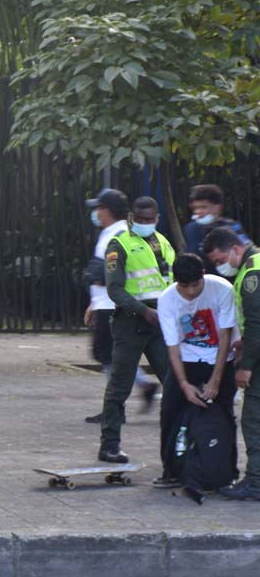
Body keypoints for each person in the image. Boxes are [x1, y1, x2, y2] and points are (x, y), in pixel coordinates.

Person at [95, 191, 173, 463]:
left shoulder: (163, 242)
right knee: (119, 387)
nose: (144, 222)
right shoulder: (119, 244)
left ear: (157, 218)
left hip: (159, 322)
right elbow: (115, 290)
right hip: (131, 322)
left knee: (173, 381)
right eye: (139, 218)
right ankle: (109, 446)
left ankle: (179, 443)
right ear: (131, 218)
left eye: (149, 218)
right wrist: (143, 311)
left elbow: (170, 282)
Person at [155, 254, 236, 487]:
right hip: (187, 359)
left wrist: (215, 380)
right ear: (175, 281)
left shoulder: (221, 289)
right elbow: (172, 346)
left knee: (223, 414)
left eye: (195, 285)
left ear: (203, 276)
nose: (190, 292)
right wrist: (183, 383)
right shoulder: (167, 299)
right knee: (170, 411)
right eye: (184, 286)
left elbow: (225, 335)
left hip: (220, 359)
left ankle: (226, 472)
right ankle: (171, 471)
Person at [201, 227, 260, 499]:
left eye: (219, 259)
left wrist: (246, 365)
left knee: (253, 420)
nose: (219, 266)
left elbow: (258, 324)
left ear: (235, 248)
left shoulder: (251, 274)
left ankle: (256, 483)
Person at [83, 195, 130, 424]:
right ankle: (116, 405)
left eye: (99, 208)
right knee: (108, 355)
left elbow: (110, 273)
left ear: (108, 210)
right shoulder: (109, 232)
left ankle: (115, 407)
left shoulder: (119, 235)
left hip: (112, 304)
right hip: (104, 303)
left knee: (109, 355)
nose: (96, 213)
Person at [184, 184, 250, 257]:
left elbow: (247, 249)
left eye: (203, 207)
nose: (198, 212)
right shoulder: (191, 229)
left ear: (217, 208)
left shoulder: (232, 226)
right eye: (195, 208)